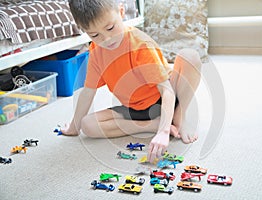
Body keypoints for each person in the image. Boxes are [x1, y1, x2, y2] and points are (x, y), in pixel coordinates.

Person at [62, 0, 202, 163]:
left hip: (164, 96)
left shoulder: (140, 44)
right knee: (87, 125)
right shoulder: (96, 52)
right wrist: (74, 126)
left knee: (190, 56)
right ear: (85, 32)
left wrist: (163, 133)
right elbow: (88, 92)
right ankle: (153, 124)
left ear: (121, 13)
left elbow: (167, 91)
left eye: (110, 28)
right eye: (95, 35)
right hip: (134, 108)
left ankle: (179, 117)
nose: (107, 39)